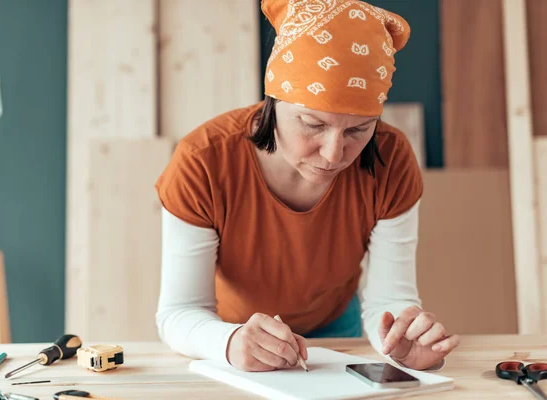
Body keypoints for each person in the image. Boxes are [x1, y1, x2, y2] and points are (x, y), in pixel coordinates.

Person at [155, 0, 460, 373]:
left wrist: (398, 341)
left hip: (337, 329)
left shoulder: (390, 159)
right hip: (227, 334)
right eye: (313, 124)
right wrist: (229, 342)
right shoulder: (202, 161)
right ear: (274, 100)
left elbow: (389, 298)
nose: (334, 154)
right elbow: (181, 312)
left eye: (358, 130)